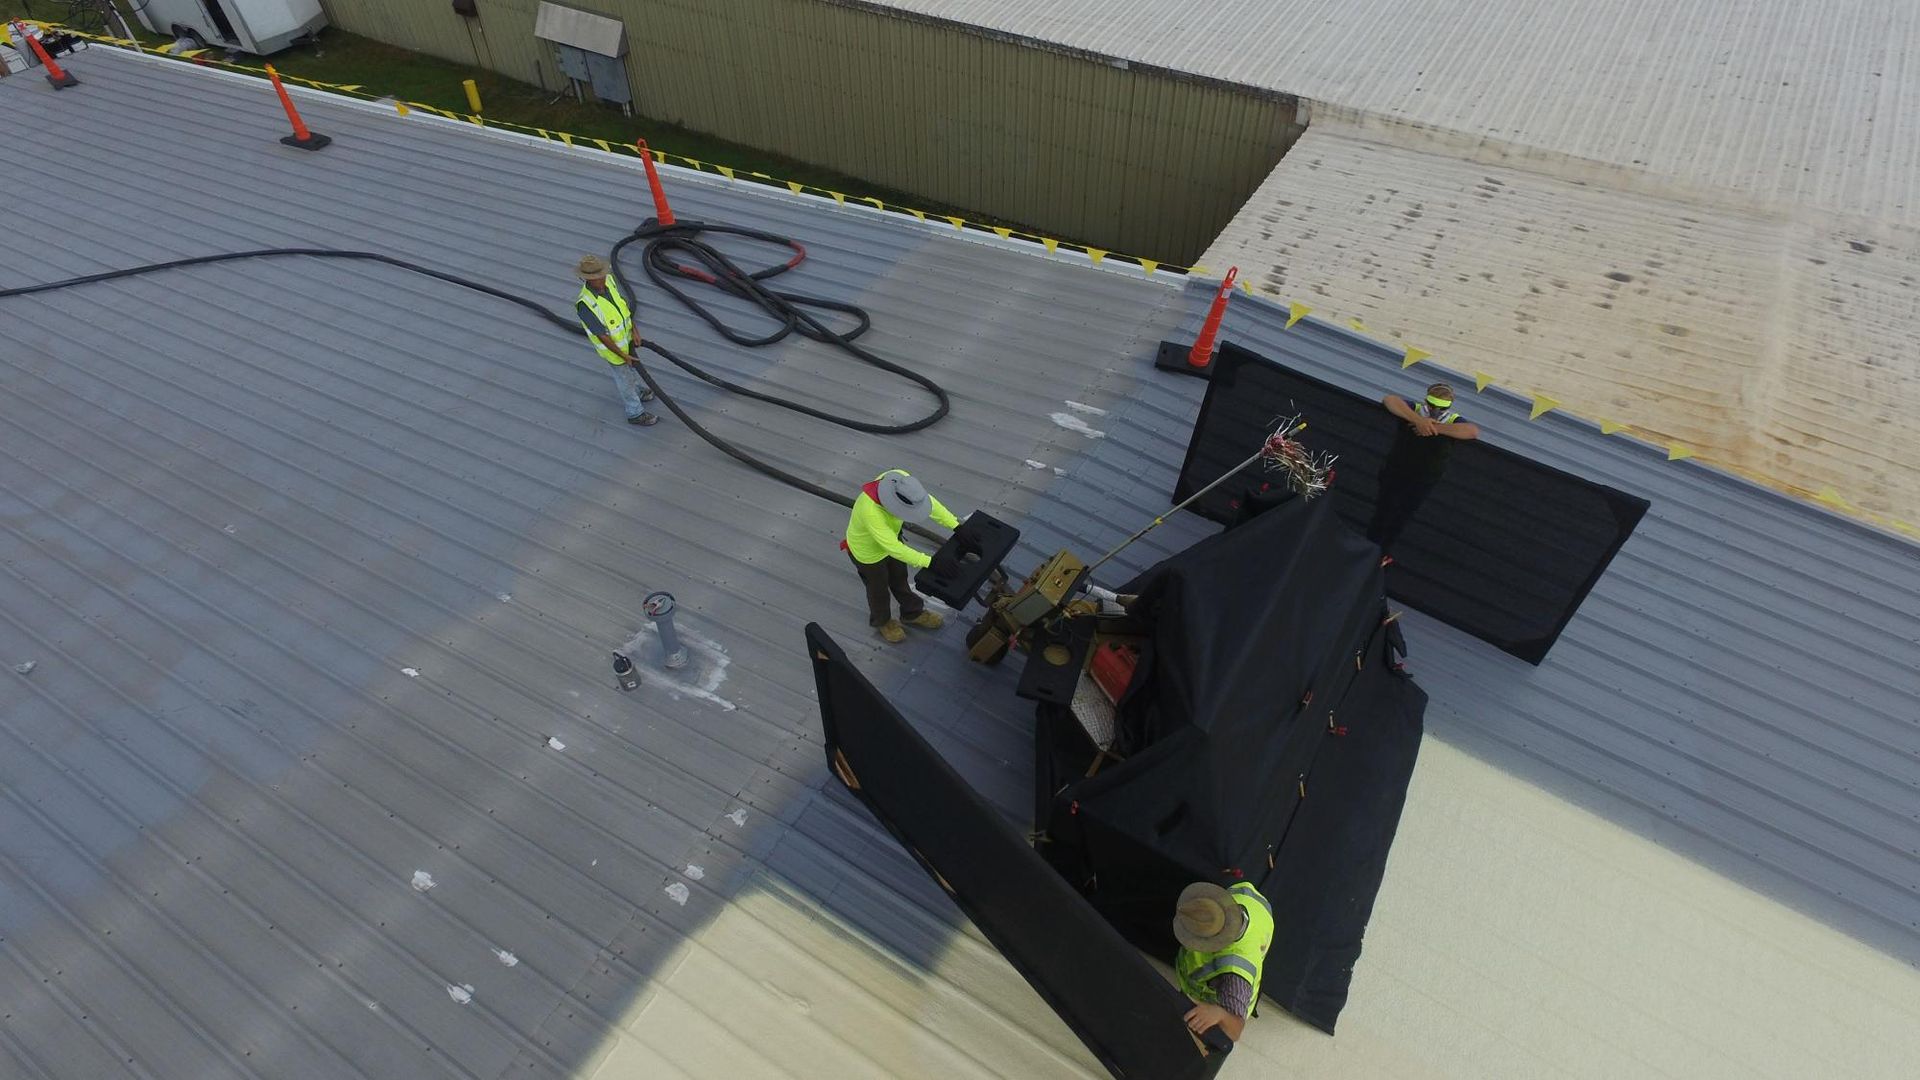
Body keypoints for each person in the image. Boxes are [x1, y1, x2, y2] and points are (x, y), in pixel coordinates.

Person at [841, 469, 959, 643]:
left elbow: (927, 502)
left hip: (891, 539)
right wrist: (930, 562)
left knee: (899, 578)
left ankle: (912, 613)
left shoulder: (899, 480)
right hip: (868, 554)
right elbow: (893, 548)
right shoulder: (871, 511)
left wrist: (956, 525)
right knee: (878, 589)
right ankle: (882, 621)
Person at [1366, 381, 1480, 553]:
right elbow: (1390, 400)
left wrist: (1435, 428)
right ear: (1426, 400)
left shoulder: (1452, 420)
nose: (1435, 411)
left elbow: (1471, 431)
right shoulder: (1415, 409)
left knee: (1402, 517)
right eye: (1432, 405)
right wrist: (1418, 420)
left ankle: (1382, 552)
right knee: (1383, 511)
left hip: (1423, 478)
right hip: (1396, 470)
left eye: (1441, 407)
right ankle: (1369, 547)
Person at [1173, 880, 1274, 1043]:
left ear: (1215, 942)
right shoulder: (1240, 895)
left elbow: (1235, 1030)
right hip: (1261, 917)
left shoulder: (1235, 977)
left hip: (1213, 1000)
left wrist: (1218, 1013)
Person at [574, 254, 660, 427]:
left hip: (626, 340)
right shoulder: (585, 304)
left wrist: (634, 330)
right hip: (614, 349)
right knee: (624, 379)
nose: (602, 278)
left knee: (632, 370)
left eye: (603, 274)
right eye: (597, 277)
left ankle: (639, 391)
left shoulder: (610, 282)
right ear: (587, 279)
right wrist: (621, 354)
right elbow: (601, 335)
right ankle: (634, 412)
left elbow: (623, 307)